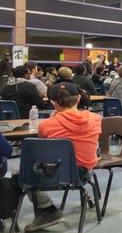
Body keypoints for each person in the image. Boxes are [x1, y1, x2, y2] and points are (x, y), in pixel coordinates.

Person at [23, 82, 101, 232]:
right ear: (78, 99)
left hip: (53, 174)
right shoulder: (96, 119)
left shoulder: (46, 126)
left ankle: (47, 210)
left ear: (53, 102)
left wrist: (54, 117)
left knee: (22, 173)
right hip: (84, 174)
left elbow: (43, 149)